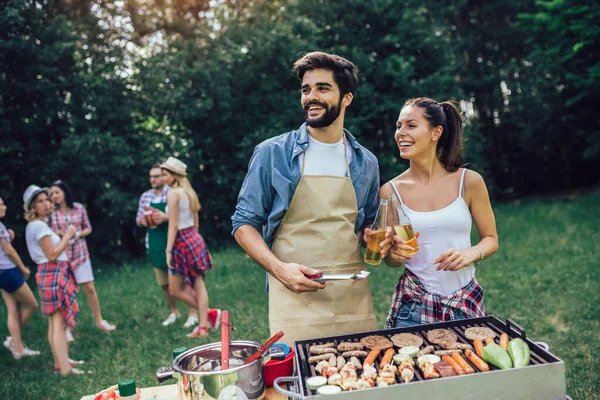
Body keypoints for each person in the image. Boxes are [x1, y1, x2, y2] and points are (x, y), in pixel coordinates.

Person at [232, 52, 380, 347]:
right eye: (306, 89)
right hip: (294, 296)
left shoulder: (366, 162)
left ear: (347, 98)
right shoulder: (272, 153)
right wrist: (280, 270)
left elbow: (367, 228)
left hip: (352, 296)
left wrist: (378, 239)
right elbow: (243, 224)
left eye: (323, 88)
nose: (311, 96)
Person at [380, 97, 499, 328]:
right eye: (398, 126)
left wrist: (469, 254)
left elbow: (491, 239)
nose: (401, 133)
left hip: (465, 305)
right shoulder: (390, 191)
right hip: (412, 310)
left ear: (436, 133)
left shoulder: (469, 182)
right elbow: (392, 260)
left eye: (411, 125)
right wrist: (395, 254)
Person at [23, 185, 84, 375]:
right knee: (58, 323)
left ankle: (61, 362)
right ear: (32, 208)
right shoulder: (39, 226)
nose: (46, 204)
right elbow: (52, 254)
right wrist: (68, 235)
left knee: (54, 322)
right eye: (39, 201)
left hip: (51, 272)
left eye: (47, 199)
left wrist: (58, 236)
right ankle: (64, 368)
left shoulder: (37, 225)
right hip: (53, 272)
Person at [161, 156, 220, 337]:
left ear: (174, 175)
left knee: (192, 286)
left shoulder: (173, 193)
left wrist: (168, 250)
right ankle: (209, 315)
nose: (164, 178)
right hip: (193, 238)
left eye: (165, 174)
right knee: (184, 287)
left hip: (182, 240)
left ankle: (203, 325)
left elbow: (173, 224)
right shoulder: (189, 192)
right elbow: (195, 221)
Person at [48, 180, 116, 336]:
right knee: (67, 295)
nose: (54, 196)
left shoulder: (78, 208)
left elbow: (88, 228)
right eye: (51, 194)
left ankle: (99, 320)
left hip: (80, 254)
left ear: (64, 192)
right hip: (63, 258)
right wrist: (58, 234)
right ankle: (67, 328)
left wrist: (77, 234)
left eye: (57, 192)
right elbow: (48, 235)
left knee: (90, 289)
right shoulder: (51, 214)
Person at [136, 164, 199, 328]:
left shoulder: (172, 193)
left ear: (165, 177)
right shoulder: (145, 197)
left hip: (175, 241)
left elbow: (184, 218)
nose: (154, 179)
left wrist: (165, 217)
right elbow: (138, 219)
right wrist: (144, 221)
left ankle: (193, 313)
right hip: (155, 243)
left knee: (184, 280)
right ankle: (174, 311)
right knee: (164, 283)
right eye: (151, 177)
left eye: (157, 176)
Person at [0, 195, 40, 359]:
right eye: (1, 204)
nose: (4, 207)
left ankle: (17, 349)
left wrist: (7, 237)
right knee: (32, 304)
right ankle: (14, 342)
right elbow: (9, 251)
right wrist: (23, 269)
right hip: (8, 271)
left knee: (13, 310)